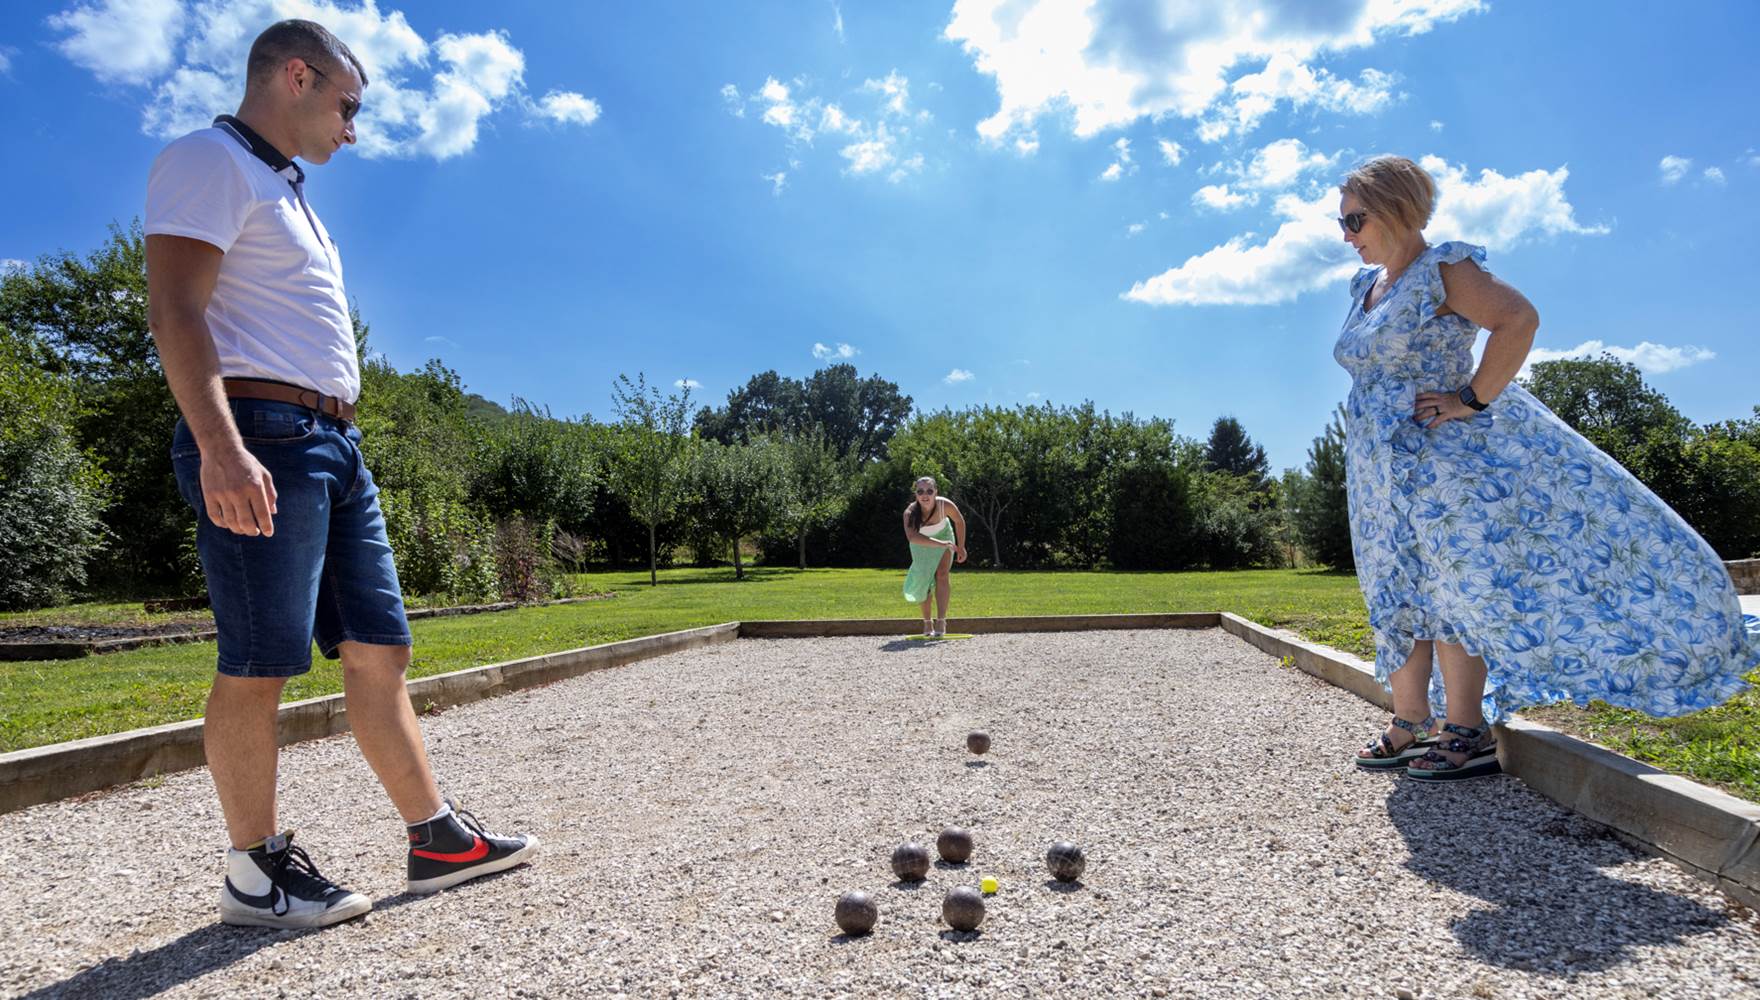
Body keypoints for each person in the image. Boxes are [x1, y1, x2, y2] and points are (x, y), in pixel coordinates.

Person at [145, 19, 536, 929]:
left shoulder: (282, 187)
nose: (351, 130)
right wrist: (221, 447)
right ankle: (256, 873)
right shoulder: (210, 160)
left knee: (379, 645)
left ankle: (436, 838)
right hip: (260, 433)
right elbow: (175, 309)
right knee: (262, 657)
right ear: (295, 75)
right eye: (347, 106)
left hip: (330, 445)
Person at [1332, 155, 1756, 781]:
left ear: (1395, 207)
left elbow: (1518, 319)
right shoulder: (1367, 289)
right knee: (1397, 589)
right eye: (1341, 222)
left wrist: (1470, 399)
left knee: (1452, 592)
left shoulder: (1443, 268)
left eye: (1355, 218)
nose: (1345, 233)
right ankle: (1409, 720)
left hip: (1442, 466)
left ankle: (1466, 730)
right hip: (1377, 475)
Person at [901, 476, 967, 636]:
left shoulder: (945, 505)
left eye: (930, 491)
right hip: (921, 544)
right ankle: (927, 622)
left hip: (945, 536)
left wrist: (961, 546)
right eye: (920, 491)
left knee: (942, 574)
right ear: (916, 494)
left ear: (935, 492)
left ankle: (941, 621)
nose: (925, 495)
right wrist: (940, 544)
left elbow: (959, 521)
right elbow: (913, 537)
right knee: (924, 579)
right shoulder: (910, 512)